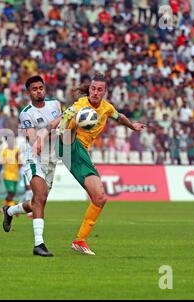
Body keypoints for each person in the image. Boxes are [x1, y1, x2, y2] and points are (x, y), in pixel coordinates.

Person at [56, 73, 146, 255]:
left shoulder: (106, 108)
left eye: (99, 90)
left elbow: (119, 116)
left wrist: (132, 126)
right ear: (89, 89)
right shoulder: (80, 105)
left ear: (104, 92)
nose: (95, 92)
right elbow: (65, 119)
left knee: (99, 198)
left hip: (79, 152)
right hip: (71, 145)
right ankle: (79, 241)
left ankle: (79, 240)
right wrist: (63, 128)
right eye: (93, 89)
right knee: (99, 198)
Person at [0, 76, 61, 257]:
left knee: (37, 202)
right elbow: (35, 141)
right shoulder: (26, 113)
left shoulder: (55, 105)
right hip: (34, 159)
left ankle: (9, 211)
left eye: (41, 88)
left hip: (51, 161)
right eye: (34, 89)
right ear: (29, 92)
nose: (38, 91)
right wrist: (51, 129)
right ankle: (38, 244)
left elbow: (63, 124)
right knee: (40, 197)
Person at [0, 138, 20, 207]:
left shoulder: (16, 151)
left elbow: (19, 161)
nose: (11, 142)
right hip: (7, 175)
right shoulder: (5, 152)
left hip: (15, 175)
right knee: (11, 192)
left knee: (13, 193)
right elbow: (0, 164)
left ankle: (5, 206)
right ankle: (11, 206)